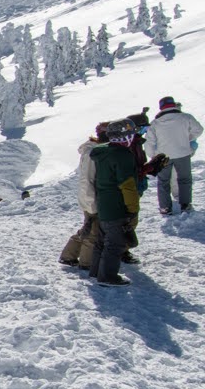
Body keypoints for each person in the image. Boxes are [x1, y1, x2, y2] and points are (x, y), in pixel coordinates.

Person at [89, 120, 141, 287]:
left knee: (102, 239)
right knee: (115, 242)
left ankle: (96, 271)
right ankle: (107, 277)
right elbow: (128, 185)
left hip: (104, 203)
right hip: (117, 205)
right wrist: (133, 208)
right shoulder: (122, 155)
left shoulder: (102, 152)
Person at [60, 122, 110, 270]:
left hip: (90, 197)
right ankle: (87, 262)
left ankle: (69, 255)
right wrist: (91, 202)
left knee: (88, 228)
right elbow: (87, 179)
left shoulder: (94, 150)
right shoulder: (92, 153)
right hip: (91, 198)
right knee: (94, 231)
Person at [146, 96, 203, 215]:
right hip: (183, 153)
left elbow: (149, 141)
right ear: (173, 104)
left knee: (163, 181)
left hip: (163, 156)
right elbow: (199, 129)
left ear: (161, 108)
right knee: (184, 179)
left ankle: (165, 208)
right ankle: (185, 205)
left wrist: (153, 156)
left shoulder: (155, 123)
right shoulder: (186, 117)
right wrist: (186, 139)